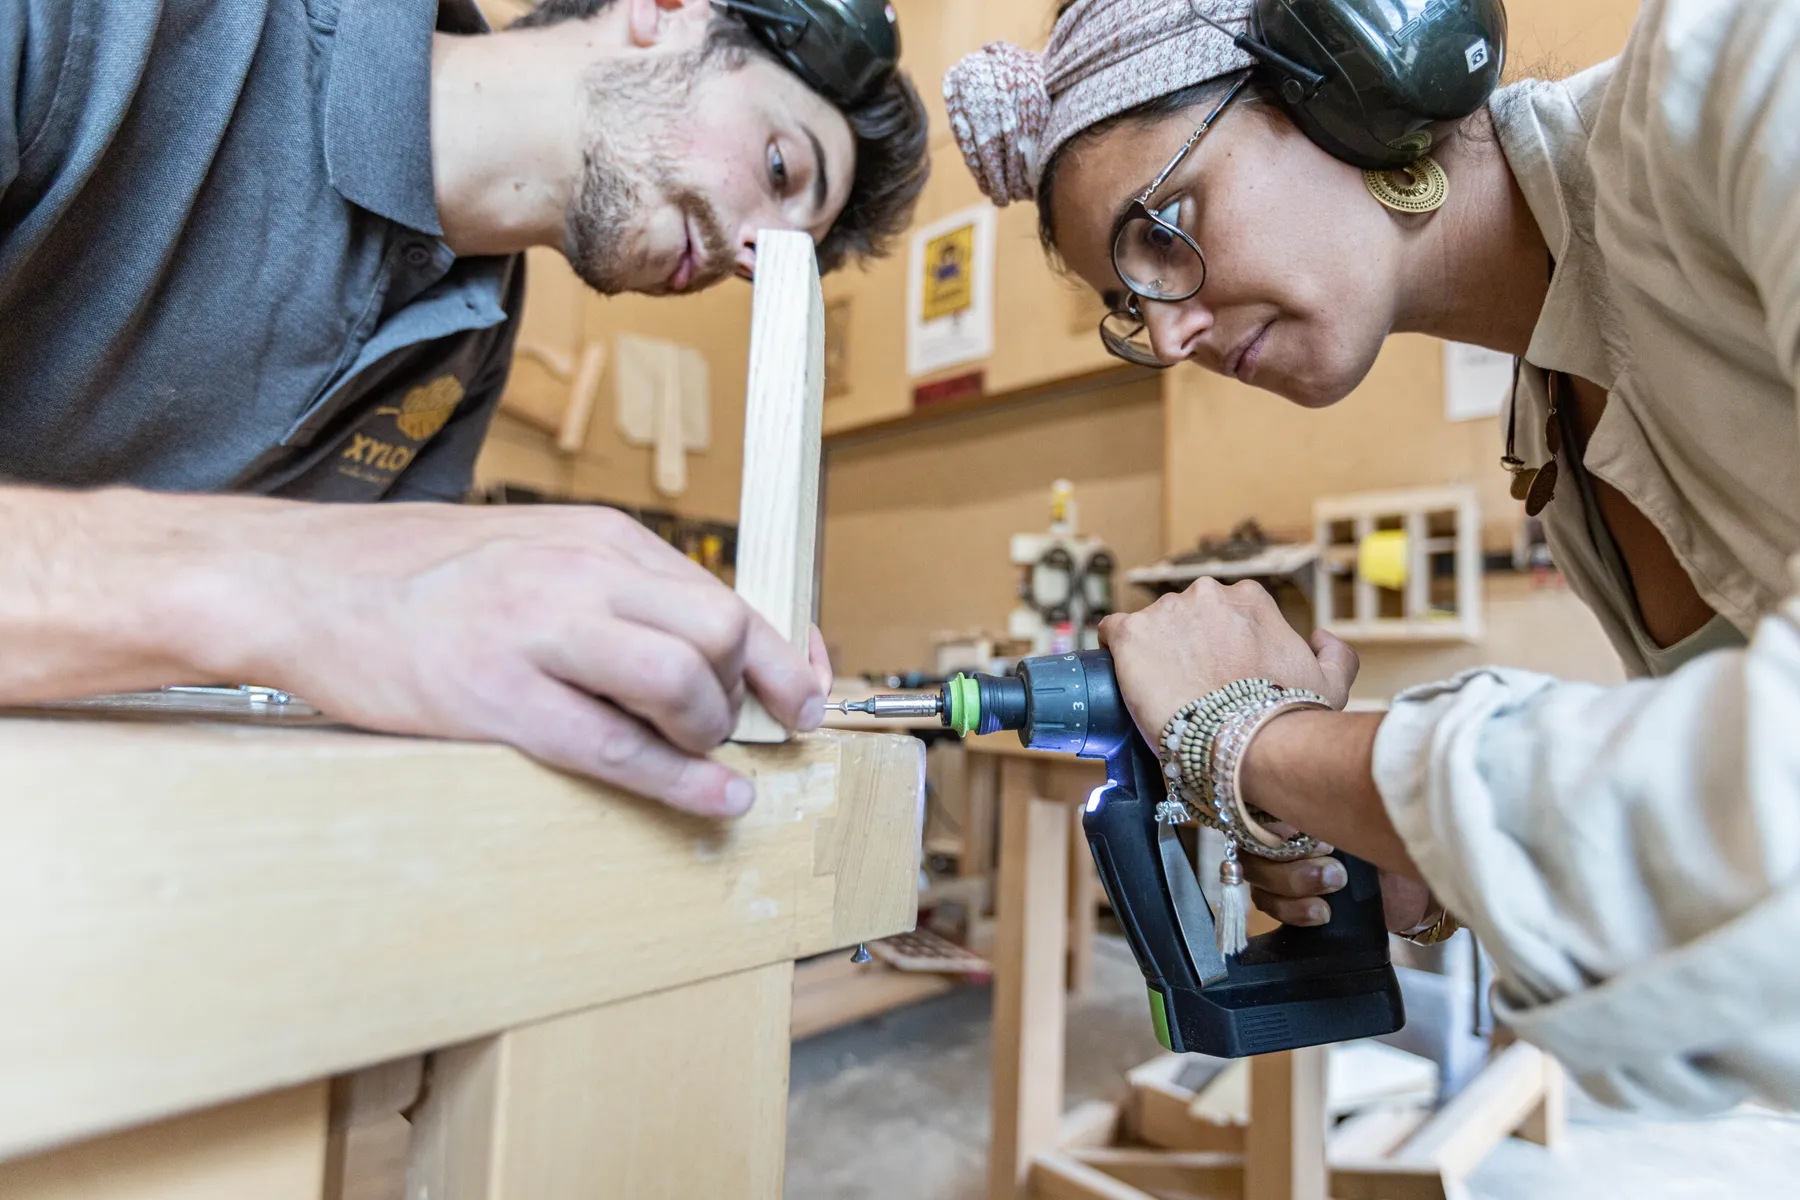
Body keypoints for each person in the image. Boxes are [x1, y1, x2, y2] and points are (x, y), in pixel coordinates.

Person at [943, 0, 1800, 1110]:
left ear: (1347, 76)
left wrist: (1274, 744)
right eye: (1124, 304)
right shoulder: (1558, 411)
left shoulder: (1743, 74)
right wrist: (1413, 843)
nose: (1163, 337)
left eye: (1163, 224)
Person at [0, 0, 927, 815]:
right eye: (777, 164)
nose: (750, 259)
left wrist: (617, 671)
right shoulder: (122, 26)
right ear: (667, 7)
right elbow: (332, 606)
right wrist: (303, 581)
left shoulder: (473, 337)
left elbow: (369, 673)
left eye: (785, 253)